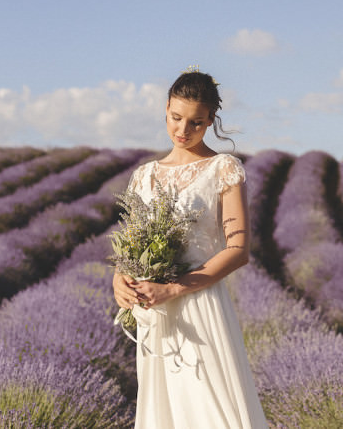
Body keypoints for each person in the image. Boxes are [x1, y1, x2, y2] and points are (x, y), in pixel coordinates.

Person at [112, 68, 268, 428]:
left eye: (196, 123)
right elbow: (131, 247)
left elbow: (239, 249)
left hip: (200, 305)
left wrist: (173, 288)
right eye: (176, 118)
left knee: (212, 411)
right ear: (166, 108)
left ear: (211, 120)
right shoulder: (144, 175)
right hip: (154, 311)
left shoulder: (223, 168)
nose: (183, 130)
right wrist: (120, 280)